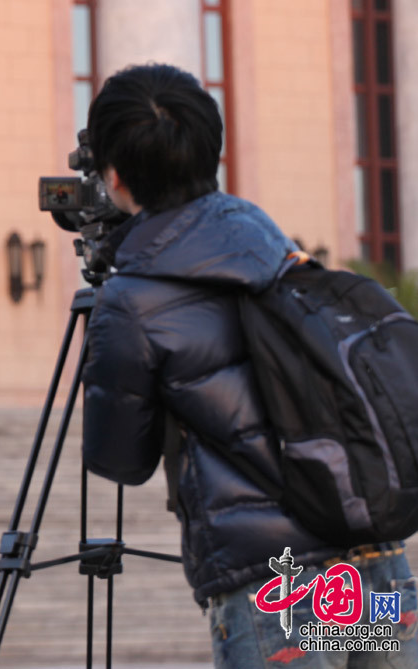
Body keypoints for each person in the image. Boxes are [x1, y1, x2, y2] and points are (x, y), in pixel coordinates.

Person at [81, 63, 418, 668]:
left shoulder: (130, 301)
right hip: (374, 563)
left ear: (114, 176)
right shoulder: (278, 252)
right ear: (212, 151)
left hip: (277, 588)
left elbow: (119, 461)